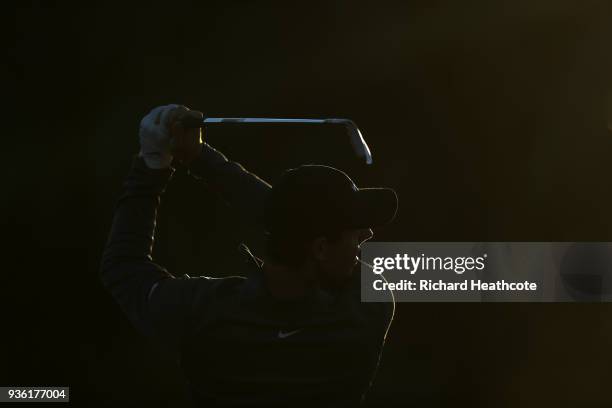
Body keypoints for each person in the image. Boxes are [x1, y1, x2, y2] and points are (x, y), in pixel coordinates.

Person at [100, 104, 398, 407]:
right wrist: (200, 157)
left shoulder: (205, 311)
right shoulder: (363, 312)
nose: (367, 234)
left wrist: (153, 165)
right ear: (320, 249)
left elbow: (123, 267)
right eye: (353, 230)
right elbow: (277, 216)